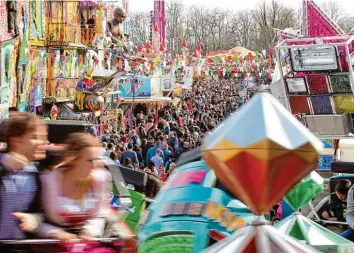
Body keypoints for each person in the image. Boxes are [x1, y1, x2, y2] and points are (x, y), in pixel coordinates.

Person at [0, 112, 48, 241]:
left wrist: (34, 220)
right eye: (35, 137)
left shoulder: (37, 174)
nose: (44, 142)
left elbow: (40, 213)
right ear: (16, 140)